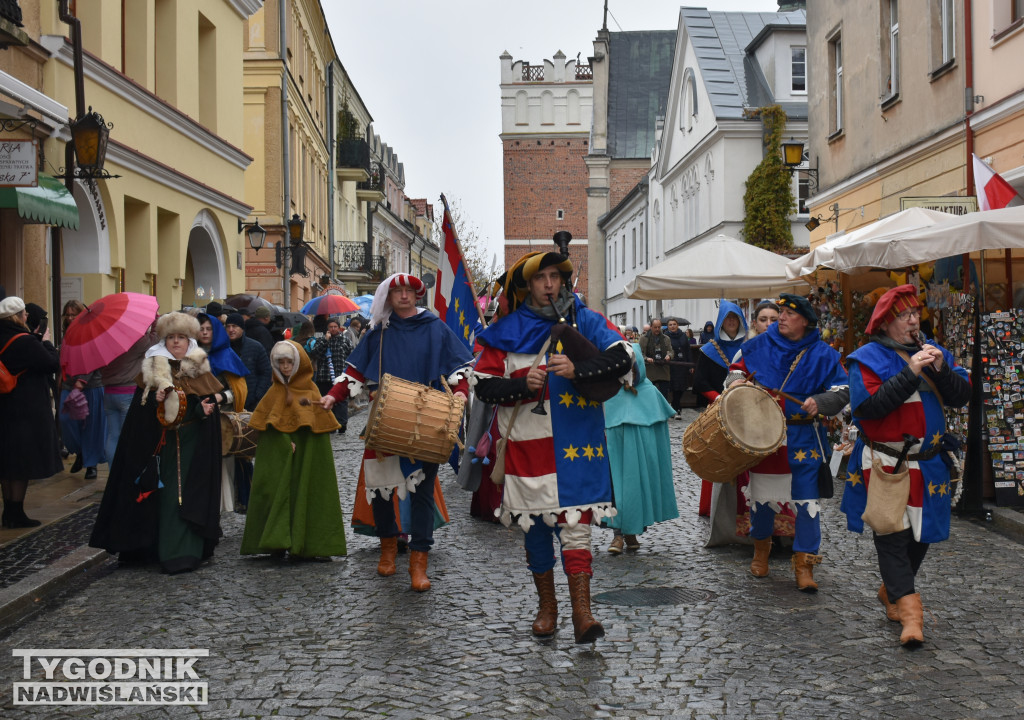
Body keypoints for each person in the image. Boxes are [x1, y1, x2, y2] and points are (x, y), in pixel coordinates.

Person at [472, 252, 632, 643]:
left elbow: (623, 356)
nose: (549, 284)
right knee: (537, 529)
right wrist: (520, 385)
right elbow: (483, 385)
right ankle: (548, 608)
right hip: (529, 445)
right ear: (528, 285)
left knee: (576, 527)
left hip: (579, 444)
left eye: (554, 277)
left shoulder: (585, 320)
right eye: (540, 278)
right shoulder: (505, 331)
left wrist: (580, 370)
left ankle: (583, 612)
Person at [322, 273, 472, 591]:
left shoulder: (434, 327)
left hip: (426, 416)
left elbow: (458, 366)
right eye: (397, 291)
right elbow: (355, 371)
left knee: (422, 494)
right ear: (388, 297)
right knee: (381, 490)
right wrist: (333, 396)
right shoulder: (379, 331)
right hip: (384, 415)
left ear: (417, 295)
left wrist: (459, 391)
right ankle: (388, 549)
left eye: (409, 291)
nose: (403, 296)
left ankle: (419, 563)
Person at [839, 285, 969, 646]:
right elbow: (869, 409)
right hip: (887, 462)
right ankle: (912, 617)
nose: (914, 320)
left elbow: (962, 397)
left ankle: (893, 589)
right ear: (885, 324)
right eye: (904, 315)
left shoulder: (935, 351)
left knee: (921, 533)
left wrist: (941, 369)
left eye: (916, 313)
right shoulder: (865, 358)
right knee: (891, 534)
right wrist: (910, 371)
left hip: (929, 464)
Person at [725, 294, 849, 591]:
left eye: (789, 314)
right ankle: (761, 551)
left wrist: (821, 401)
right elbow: (735, 373)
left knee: (807, 503)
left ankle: (804, 565)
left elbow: (843, 389)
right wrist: (737, 383)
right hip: (764, 437)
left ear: (805, 321)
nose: (780, 317)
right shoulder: (757, 345)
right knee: (761, 500)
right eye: (779, 311)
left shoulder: (823, 354)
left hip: (805, 437)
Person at [89, 312, 224, 573]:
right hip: (159, 446)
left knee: (188, 496)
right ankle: (158, 549)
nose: (176, 343)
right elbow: (140, 417)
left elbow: (206, 402)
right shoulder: (153, 367)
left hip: (193, 445)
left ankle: (186, 550)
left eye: (181, 338)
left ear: (189, 341)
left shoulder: (199, 366)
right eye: (171, 337)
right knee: (162, 498)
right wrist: (157, 400)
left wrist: (203, 410)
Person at [241, 340, 346, 560]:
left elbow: (316, 424)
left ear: (299, 364)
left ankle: (311, 543)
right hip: (281, 456)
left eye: (290, 362)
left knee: (311, 489)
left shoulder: (312, 391)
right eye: (281, 362)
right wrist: (281, 442)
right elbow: (267, 426)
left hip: (308, 451)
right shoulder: (273, 393)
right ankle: (276, 541)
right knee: (277, 491)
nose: (286, 367)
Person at [705, 299, 790, 549]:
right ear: (754, 323)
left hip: (789, 426)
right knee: (757, 483)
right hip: (757, 426)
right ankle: (761, 540)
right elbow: (734, 374)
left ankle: (786, 536)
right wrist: (739, 384)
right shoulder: (749, 349)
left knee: (789, 482)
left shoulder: (794, 348)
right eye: (763, 320)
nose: (769, 324)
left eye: (774, 319)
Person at [603, 340, 678, 553]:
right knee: (617, 489)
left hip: (641, 457)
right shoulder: (607, 391)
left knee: (637, 490)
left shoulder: (649, 391)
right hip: (616, 454)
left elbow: (658, 438)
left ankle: (631, 531)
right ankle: (618, 534)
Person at [0, 297, 62, 528]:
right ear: (17, 316)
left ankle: (8, 511)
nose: (27, 317)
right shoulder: (24, 340)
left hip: (4, 408)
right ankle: (15, 513)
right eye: (24, 313)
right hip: (24, 410)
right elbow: (51, 364)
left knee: (7, 464)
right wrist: (45, 342)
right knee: (20, 464)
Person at [692, 302, 748, 514]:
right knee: (716, 454)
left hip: (744, 408)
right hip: (718, 408)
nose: (731, 321)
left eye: (735, 317)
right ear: (721, 322)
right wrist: (718, 398)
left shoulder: (750, 347)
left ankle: (743, 505)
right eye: (727, 318)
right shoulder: (708, 351)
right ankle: (712, 506)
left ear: (741, 320)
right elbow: (699, 382)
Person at [197, 313, 249, 512]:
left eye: (208, 329)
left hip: (222, 420)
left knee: (221, 468)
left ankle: (219, 509)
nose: (204, 332)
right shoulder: (190, 353)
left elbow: (239, 389)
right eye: (201, 329)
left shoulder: (226, 354)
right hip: (197, 419)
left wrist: (221, 397)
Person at [224, 313, 271, 511]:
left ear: (242, 328)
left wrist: (257, 395)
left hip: (251, 405)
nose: (231, 329)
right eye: (228, 326)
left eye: (235, 326)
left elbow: (265, 372)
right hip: (228, 406)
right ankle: (237, 497)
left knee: (246, 452)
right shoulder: (223, 348)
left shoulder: (254, 346)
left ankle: (248, 496)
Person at [306, 317, 354, 433]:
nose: (333, 329)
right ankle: (330, 425)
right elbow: (315, 354)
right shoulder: (322, 340)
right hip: (325, 376)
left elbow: (352, 356)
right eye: (330, 327)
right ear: (327, 329)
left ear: (339, 327)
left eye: (335, 327)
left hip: (340, 375)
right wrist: (325, 341)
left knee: (341, 401)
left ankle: (342, 424)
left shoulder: (345, 340)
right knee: (326, 400)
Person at [640, 318, 672, 407]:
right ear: (651, 327)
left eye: (659, 327)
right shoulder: (643, 338)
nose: (657, 329)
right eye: (655, 327)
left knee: (664, 395)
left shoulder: (666, 339)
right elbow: (640, 353)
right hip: (650, 371)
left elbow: (671, 351)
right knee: (649, 395)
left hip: (663, 371)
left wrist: (669, 356)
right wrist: (646, 358)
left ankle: (663, 412)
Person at [664, 318, 692, 415]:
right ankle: (677, 407)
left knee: (682, 387)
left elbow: (688, 350)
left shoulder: (683, 335)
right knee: (674, 387)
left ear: (677, 325)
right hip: (672, 365)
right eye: (670, 324)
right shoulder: (665, 336)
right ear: (668, 327)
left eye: (674, 324)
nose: (672, 326)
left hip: (683, 364)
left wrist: (690, 364)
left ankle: (674, 405)